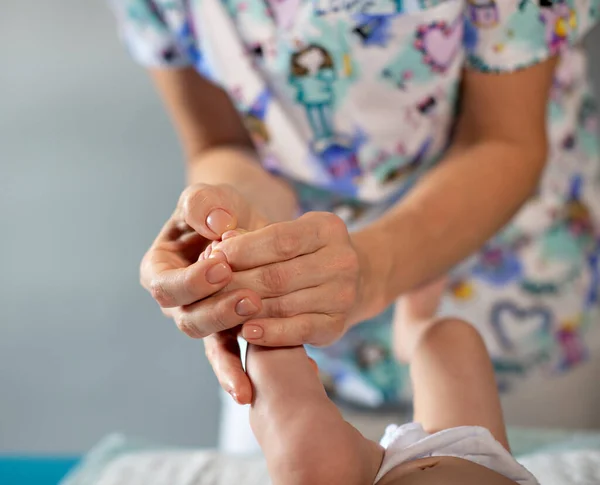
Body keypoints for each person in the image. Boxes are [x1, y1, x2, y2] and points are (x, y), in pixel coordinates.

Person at [109, 0, 600, 451]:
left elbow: (502, 139)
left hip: (515, 315)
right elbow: (223, 143)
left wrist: (374, 269)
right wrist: (228, 222)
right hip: (310, 353)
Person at [247, 313, 538, 484]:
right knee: (450, 340)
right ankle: (412, 326)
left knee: (309, 462)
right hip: (480, 464)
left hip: (376, 477)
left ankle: (265, 325)